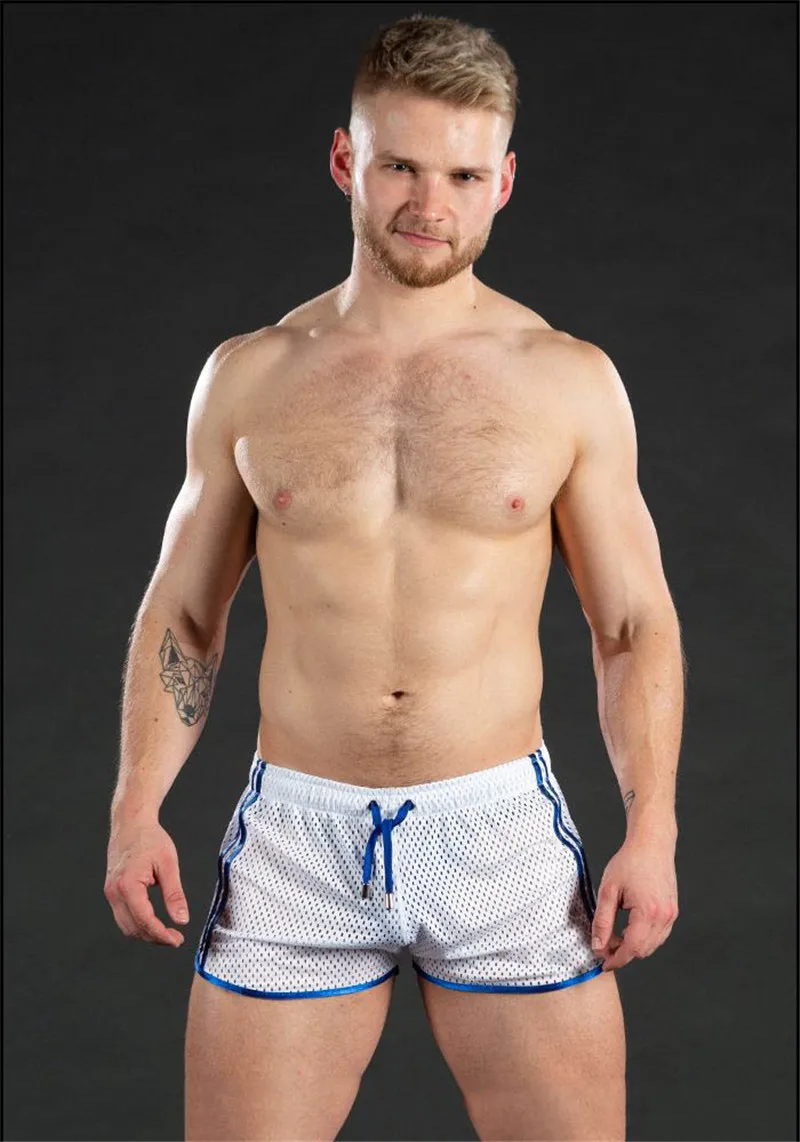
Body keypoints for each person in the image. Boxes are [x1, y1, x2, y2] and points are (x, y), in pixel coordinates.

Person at [105, 13, 684, 1141]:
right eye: (400, 167)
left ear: (502, 181)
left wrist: (652, 826)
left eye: (462, 175)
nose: (430, 204)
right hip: (297, 839)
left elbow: (630, 623)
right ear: (345, 160)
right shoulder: (252, 376)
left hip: (497, 834)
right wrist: (135, 808)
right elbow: (184, 612)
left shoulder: (566, 380)